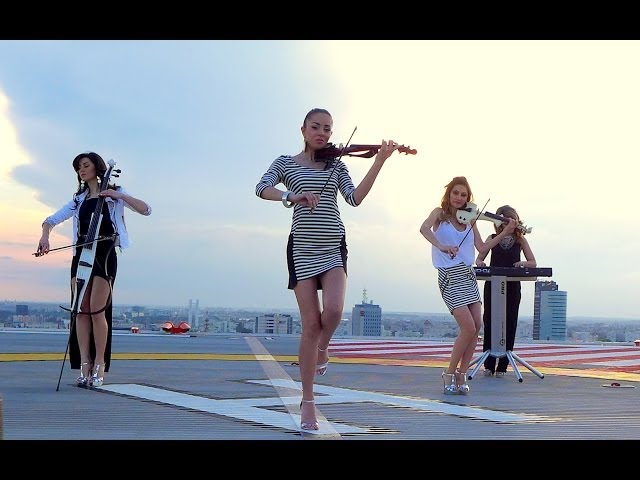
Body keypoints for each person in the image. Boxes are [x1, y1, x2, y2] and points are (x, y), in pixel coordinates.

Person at [255, 108, 400, 430]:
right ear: (303, 129)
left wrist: (379, 161)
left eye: (327, 129)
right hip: (302, 250)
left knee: (333, 311)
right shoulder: (285, 163)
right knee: (310, 324)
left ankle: (324, 348)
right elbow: (261, 187)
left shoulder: (337, 165)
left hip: (333, 247)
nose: (322, 133)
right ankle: (308, 401)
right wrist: (291, 196)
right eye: (316, 127)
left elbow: (354, 198)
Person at [37, 152, 151, 388]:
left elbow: (146, 209)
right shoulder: (79, 199)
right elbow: (50, 220)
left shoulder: (114, 193)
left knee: (97, 311)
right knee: (81, 311)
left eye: (85, 165)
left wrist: (119, 195)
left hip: (104, 255)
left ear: (96, 167)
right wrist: (45, 236)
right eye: (78, 167)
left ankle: (100, 363)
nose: (81, 170)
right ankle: (84, 364)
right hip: (81, 254)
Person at [419, 176, 516, 395]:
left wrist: (504, 232)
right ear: (449, 193)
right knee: (468, 328)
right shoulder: (439, 214)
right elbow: (424, 229)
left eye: (463, 195)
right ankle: (449, 373)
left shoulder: (471, 220)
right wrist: (441, 246)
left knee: (476, 327)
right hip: (449, 275)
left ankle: (462, 374)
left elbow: (481, 247)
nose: (459, 198)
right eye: (456, 193)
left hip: (468, 275)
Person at [475, 205, 537, 377]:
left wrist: (523, 264)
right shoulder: (492, 238)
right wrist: (480, 263)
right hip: (493, 284)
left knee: (510, 320)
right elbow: (480, 257)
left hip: (512, 285)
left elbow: (533, 262)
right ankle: (488, 364)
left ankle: (503, 365)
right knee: (490, 319)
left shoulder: (520, 240)